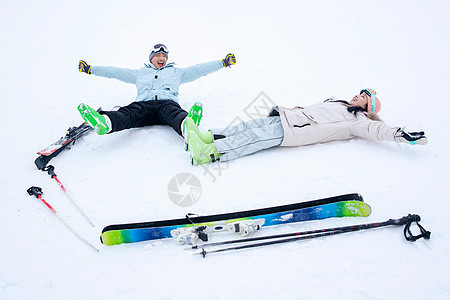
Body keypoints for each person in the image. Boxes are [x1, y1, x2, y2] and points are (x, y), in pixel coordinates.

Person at [183, 89, 428, 165]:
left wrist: (399, 134)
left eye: (362, 98)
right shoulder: (340, 103)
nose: (356, 97)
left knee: (255, 138)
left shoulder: (359, 122)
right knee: (251, 125)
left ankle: (209, 153)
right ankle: (207, 137)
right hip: (289, 116)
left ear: (368, 108)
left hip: (296, 130)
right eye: (358, 93)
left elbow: (378, 131)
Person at [77, 44, 236, 137]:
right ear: (151, 58)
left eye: (164, 56)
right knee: (128, 113)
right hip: (143, 105)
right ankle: (105, 122)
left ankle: (189, 127)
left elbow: (199, 69)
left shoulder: (176, 72)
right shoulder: (140, 73)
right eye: (158, 55)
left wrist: (222, 63)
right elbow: (115, 72)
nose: (162, 58)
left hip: (166, 104)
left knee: (175, 114)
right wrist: (91, 69)